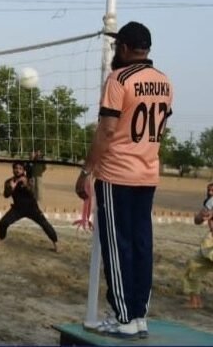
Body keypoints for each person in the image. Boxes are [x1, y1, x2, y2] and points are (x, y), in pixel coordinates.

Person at [75, 21, 173, 339]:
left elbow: (107, 130)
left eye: (117, 46)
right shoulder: (164, 81)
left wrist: (87, 171)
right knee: (142, 244)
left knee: (118, 247)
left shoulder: (119, 79)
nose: (115, 51)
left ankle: (124, 318)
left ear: (126, 48)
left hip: (117, 174)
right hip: (147, 174)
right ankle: (138, 315)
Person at [0, 161, 58, 252]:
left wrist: (26, 185)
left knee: (44, 224)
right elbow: (6, 195)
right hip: (18, 208)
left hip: (32, 208)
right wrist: (11, 188)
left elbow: (33, 192)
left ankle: (56, 244)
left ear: (23, 170)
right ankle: (2, 239)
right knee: (3, 222)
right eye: (16, 168)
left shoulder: (28, 180)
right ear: (13, 170)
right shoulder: (9, 181)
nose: (18, 170)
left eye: (20, 169)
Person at [182, 183, 213, 309]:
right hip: (210, 241)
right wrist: (202, 216)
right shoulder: (209, 202)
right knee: (193, 267)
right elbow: (197, 220)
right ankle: (195, 301)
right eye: (209, 190)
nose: (210, 193)